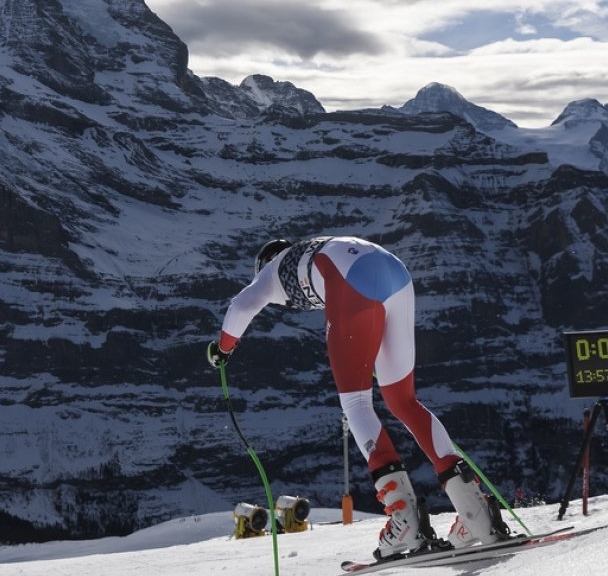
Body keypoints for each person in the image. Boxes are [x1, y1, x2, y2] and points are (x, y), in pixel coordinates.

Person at [206, 235, 508, 558]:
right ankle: (475, 512)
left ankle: (404, 518)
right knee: (403, 401)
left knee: (356, 404)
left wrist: (222, 350)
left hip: (353, 282)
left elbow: (242, 305)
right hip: (395, 273)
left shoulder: (272, 271)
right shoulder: (310, 250)